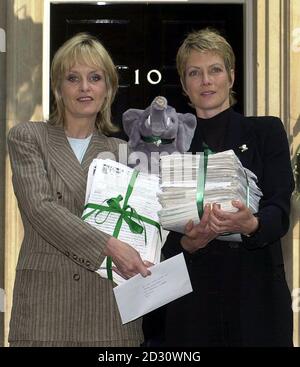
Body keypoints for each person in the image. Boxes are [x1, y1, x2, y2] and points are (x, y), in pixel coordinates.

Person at [7, 32, 151, 347]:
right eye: (73, 78)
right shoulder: (28, 137)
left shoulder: (127, 152)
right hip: (46, 309)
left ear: (108, 89)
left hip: (109, 313)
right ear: (58, 88)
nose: (84, 87)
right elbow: (41, 209)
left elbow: (146, 227)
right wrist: (110, 246)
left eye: (95, 78)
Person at [161, 28, 295, 346]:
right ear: (184, 85)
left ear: (231, 77)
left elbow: (280, 208)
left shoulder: (266, 132)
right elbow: (158, 242)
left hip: (257, 301)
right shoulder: (169, 149)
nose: (206, 80)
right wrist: (188, 245)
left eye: (215, 70)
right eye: (195, 72)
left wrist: (253, 224)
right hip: (192, 308)